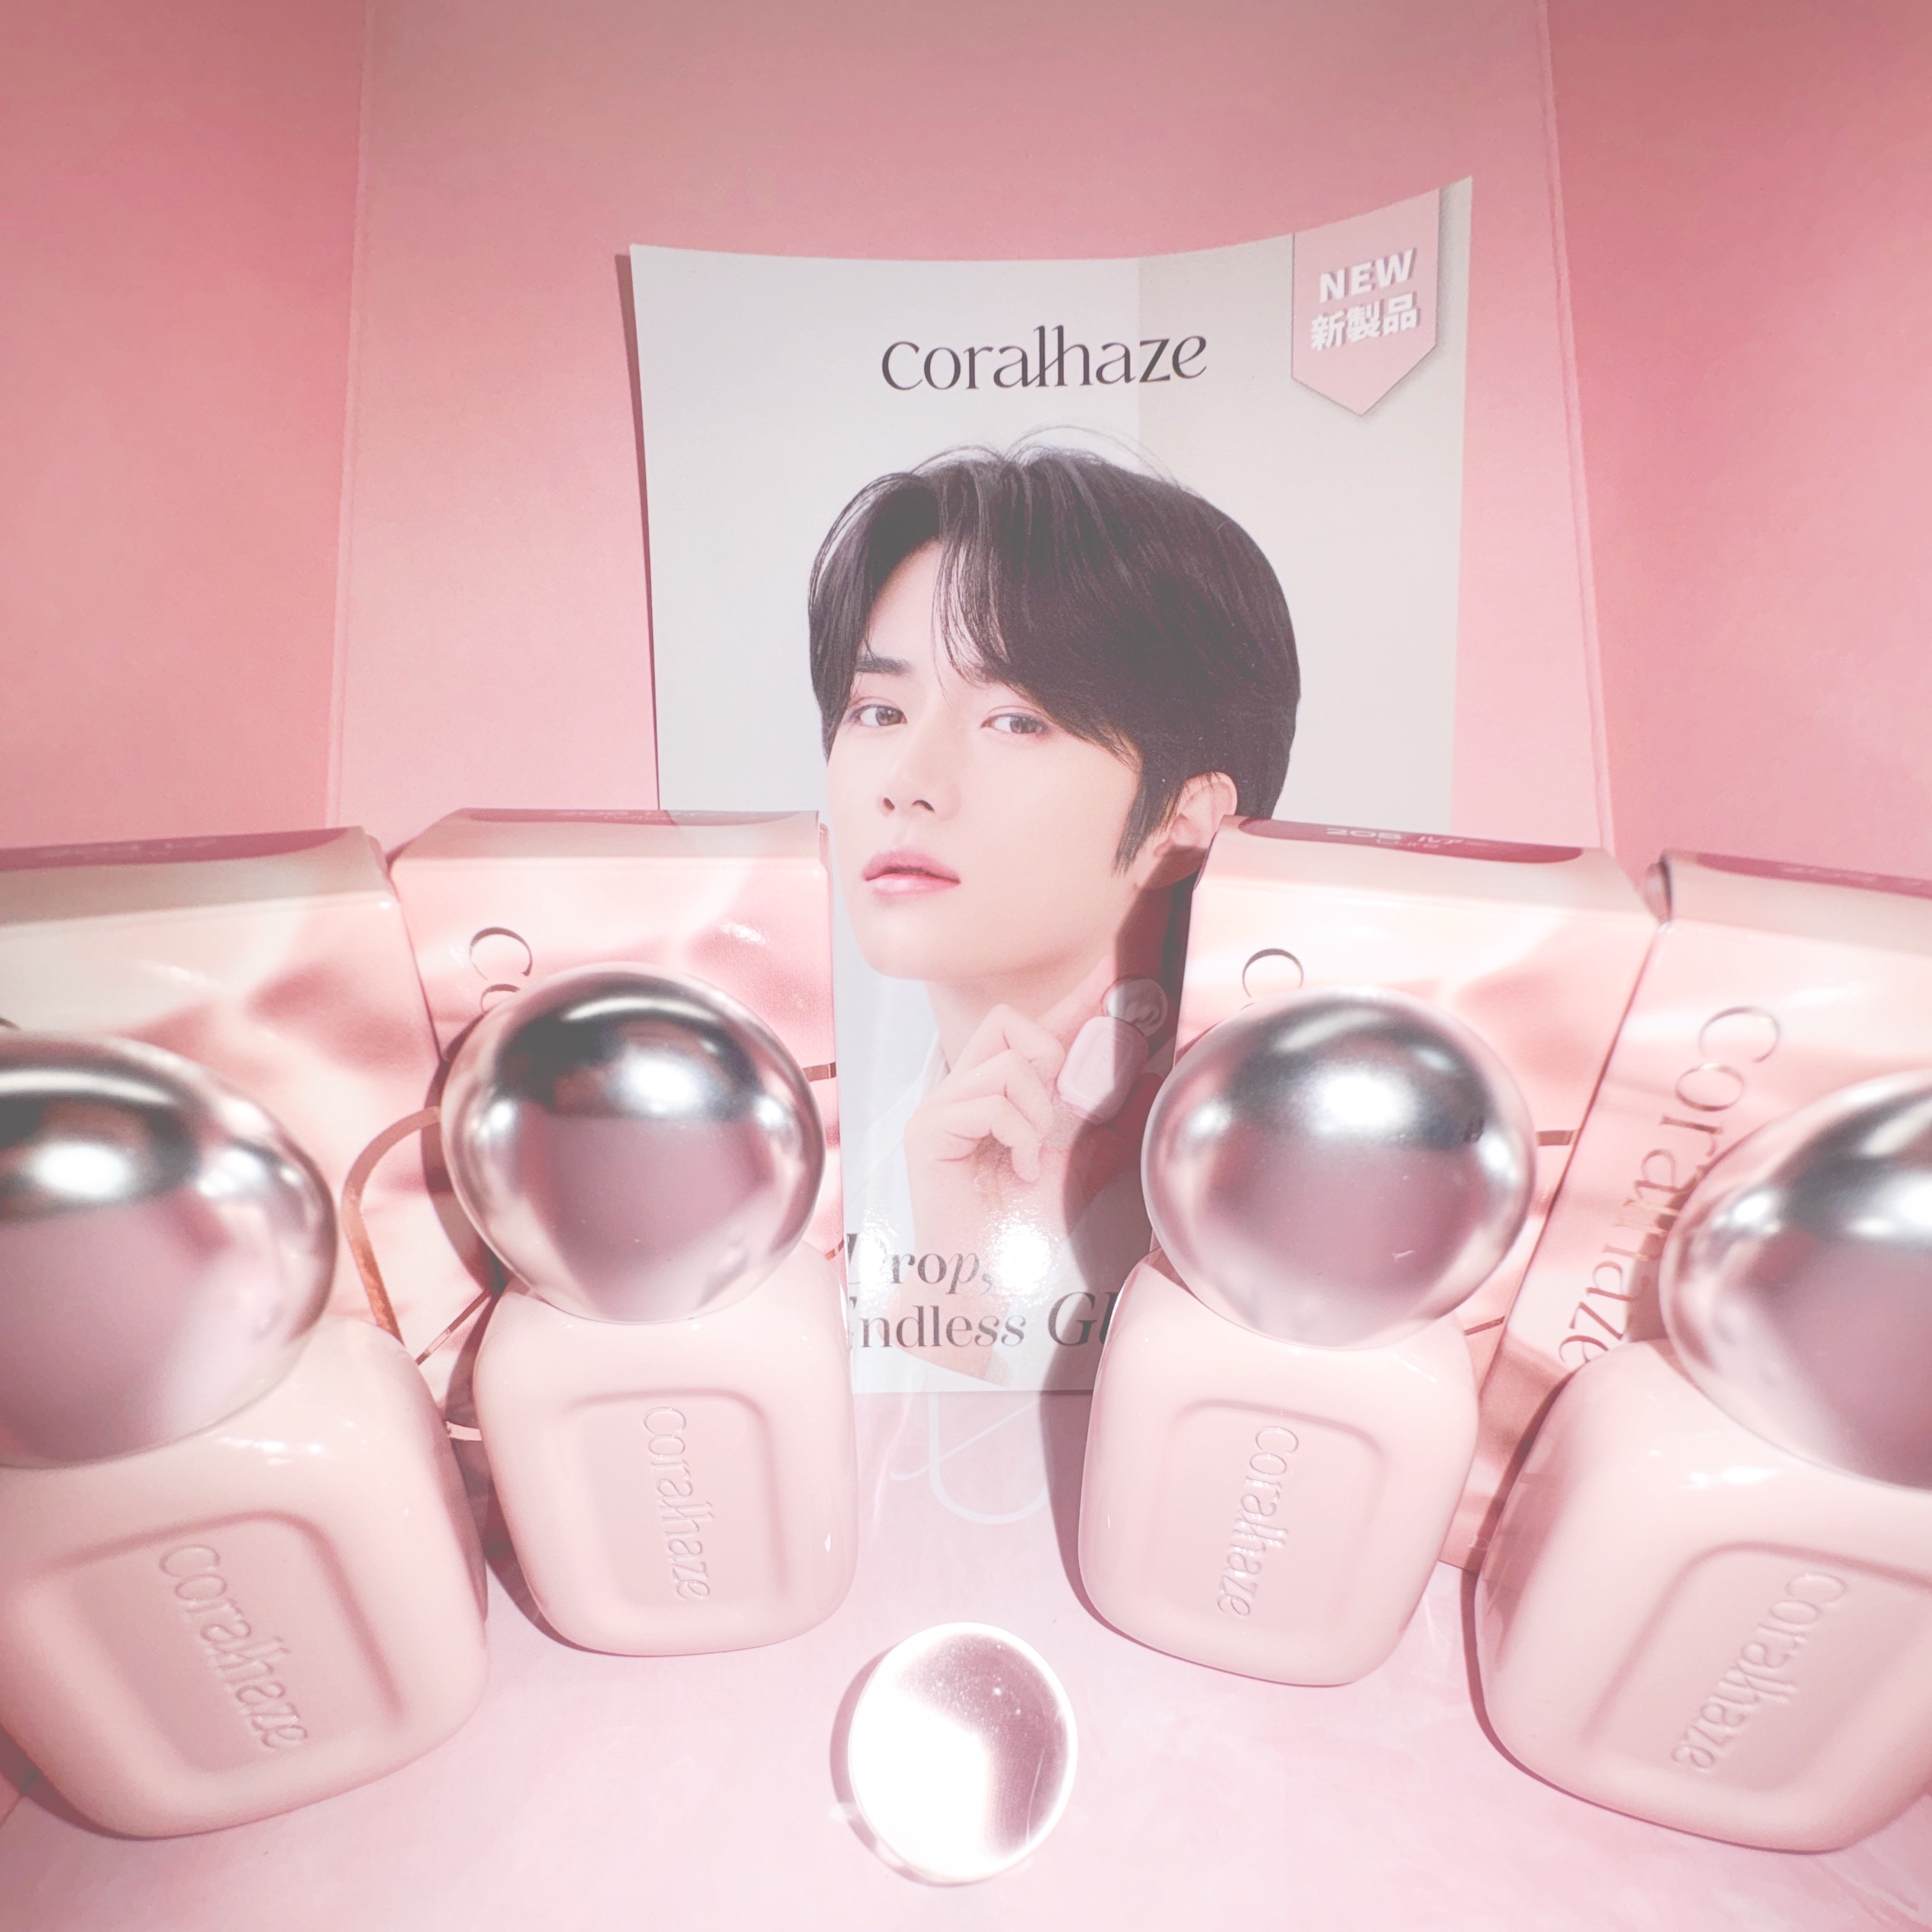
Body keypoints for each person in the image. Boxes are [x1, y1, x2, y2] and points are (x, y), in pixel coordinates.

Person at [809, 443, 1299, 1384]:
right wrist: (958, 1291)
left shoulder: (1290, 1198)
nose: (907, 782)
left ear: (1185, 821)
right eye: (878, 711)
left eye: (1016, 721)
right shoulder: (814, 1192)